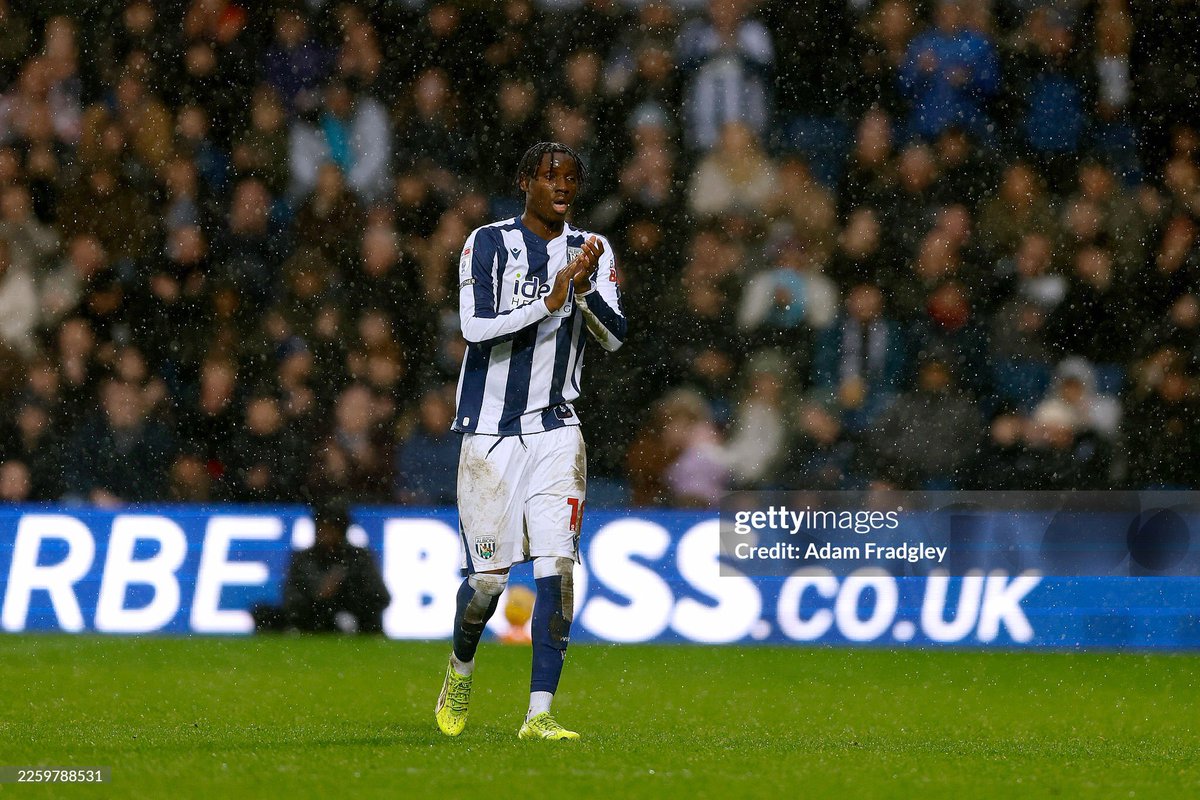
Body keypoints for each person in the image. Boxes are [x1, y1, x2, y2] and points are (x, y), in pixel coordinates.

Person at [435, 142, 626, 742]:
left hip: (556, 431)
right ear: (525, 183)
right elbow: (473, 327)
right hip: (488, 432)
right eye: (549, 177)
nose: (561, 187)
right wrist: (550, 298)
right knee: (488, 585)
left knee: (558, 572)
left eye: (570, 178)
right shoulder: (486, 243)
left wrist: (585, 289)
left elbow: (616, 339)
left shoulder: (592, 250)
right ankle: (460, 669)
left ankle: (539, 714)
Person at [254, 501, 390, 634]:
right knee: (263, 613)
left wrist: (345, 596)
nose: (324, 535)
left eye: (330, 529)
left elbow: (380, 597)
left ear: (342, 532)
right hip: (312, 618)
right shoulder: (303, 559)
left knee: (350, 620)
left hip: (351, 618)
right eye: (321, 528)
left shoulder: (358, 558)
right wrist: (319, 597)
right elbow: (290, 599)